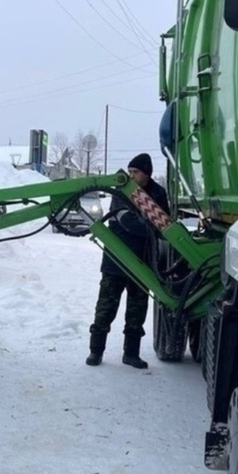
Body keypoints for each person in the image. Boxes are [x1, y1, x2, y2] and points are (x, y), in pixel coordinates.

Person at [85, 153, 170, 369]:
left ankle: (131, 354)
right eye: (130, 171)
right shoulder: (121, 190)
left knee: (137, 310)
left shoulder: (158, 194)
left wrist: (151, 226)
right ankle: (96, 352)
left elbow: (165, 226)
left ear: (147, 174)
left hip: (142, 263)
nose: (131, 175)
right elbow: (126, 221)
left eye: (136, 172)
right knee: (105, 307)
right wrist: (149, 224)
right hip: (117, 258)